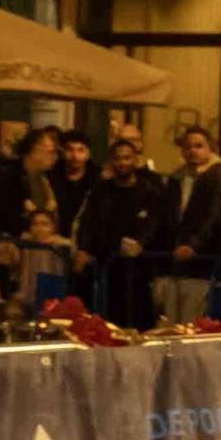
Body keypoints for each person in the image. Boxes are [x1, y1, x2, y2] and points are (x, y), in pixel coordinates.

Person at [76, 138, 167, 328]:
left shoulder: (149, 192)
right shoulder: (101, 190)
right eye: (117, 158)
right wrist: (84, 248)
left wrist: (141, 243)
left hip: (140, 269)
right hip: (107, 266)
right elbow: (88, 221)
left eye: (127, 158)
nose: (122, 163)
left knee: (140, 318)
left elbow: (155, 223)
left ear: (135, 160)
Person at [156, 125, 221, 321]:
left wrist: (193, 245)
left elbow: (213, 215)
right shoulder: (178, 177)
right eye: (189, 146)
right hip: (177, 259)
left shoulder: (217, 176)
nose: (193, 151)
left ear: (210, 148)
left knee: (192, 320)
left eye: (199, 146)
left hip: (202, 261)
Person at [49, 131, 101, 236]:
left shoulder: (98, 178)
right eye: (70, 149)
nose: (75, 155)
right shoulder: (51, 175)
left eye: (80, 150)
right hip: (54, 237)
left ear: (88, 154)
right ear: (63, 152)